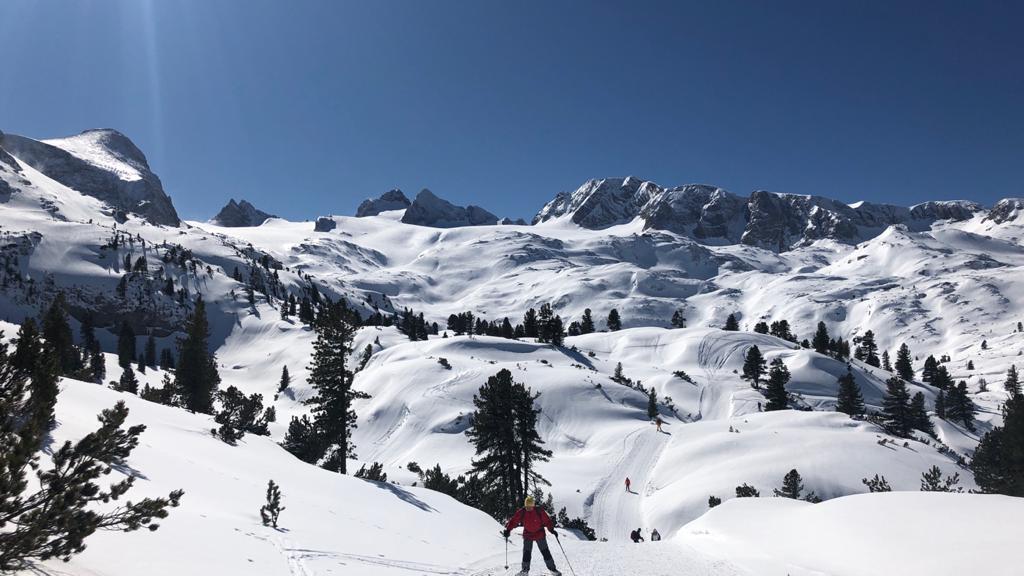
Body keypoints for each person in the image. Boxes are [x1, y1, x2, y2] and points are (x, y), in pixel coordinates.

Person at [503, 495, 561, 576]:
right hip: (528, 534)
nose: (528, 509)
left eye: (530, 507)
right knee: (526, 553)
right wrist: (508, 529)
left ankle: (553, 569)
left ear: (533, 506)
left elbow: (547, 521)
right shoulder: (522, 511)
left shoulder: (539, 511)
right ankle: (525, 571)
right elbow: (514, 521)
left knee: (545, 552)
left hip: (539, 533)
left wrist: (551, 530)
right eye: (527, 507)